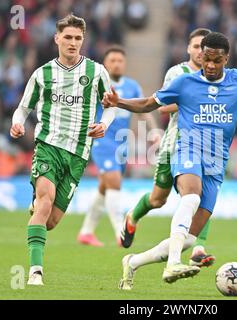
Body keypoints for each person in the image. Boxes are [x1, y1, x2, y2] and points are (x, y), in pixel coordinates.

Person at [102, 32, 237, 288]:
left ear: (227, 58)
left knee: (190, 240)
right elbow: (149, 103)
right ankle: (172, 264)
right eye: (207, 59)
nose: (211, 65)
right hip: (187, 148)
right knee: (190, 196)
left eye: (218, 60)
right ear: (200, 55)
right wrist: (120, 102)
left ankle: (133, 262)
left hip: (216, 160)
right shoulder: (184, 83)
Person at [10, 14, 115, 286]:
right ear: (57, 38)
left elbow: (112, 105)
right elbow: (23, 108)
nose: (72, 42)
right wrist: (18, 124)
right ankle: (35, 272)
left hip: (78, 153)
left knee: (51, 220)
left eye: (78, 38)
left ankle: (35, 209)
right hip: (48, 145)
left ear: (83, 40)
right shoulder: (42, 74)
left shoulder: (96, 71)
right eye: (67, 37)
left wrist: (104, 123)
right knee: (46, 200)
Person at [120, 28, 216, 268]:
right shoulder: (178, 72)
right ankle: (132, 216)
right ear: (188, 49)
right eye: (195, 46)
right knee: (157, 199)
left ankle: (198, 247)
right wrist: (197, 102)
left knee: (199, 194)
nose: (199, 51)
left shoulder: (217, 76)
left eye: (203, 47)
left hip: (205, 144)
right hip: (176, 143)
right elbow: (162, 107)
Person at [77, 46, 160, 247]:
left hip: (122, 142)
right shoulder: (97, 84)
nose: (116, 64)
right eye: (112, 60)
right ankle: (120, 233)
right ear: (105, 64)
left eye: (120, 60)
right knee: (114, 182)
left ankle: (86, 232)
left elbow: (144, 109)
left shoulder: (132, 86)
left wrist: (154, 130)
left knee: (105, 187)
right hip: (101, 140)